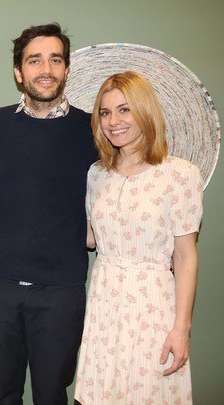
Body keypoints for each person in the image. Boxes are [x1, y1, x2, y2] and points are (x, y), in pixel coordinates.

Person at [0, 23, 97, 404]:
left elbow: (120, 187)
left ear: (66, 69)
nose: (46, 69)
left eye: (55, 60)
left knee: (51, 395)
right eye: (35, 60)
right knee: (3, 395)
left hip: (61, 290)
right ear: (19, 72)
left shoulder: (91, 128)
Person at [74, 71, 203, 404]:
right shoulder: (96, 174)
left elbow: (185, 256)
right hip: (104, 305)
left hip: (152, 307)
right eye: (105, 112)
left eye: (124, 110)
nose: (113, 121)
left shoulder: (179, 174)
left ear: (145, 111)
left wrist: (181, 328)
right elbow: (89, 238)